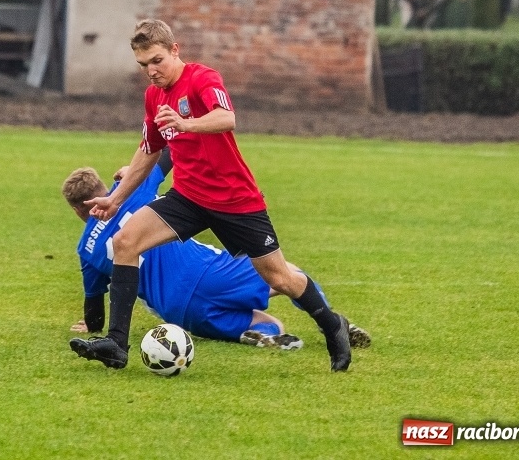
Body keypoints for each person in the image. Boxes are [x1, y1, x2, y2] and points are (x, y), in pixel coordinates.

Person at [70, 19, 352, 371]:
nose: (151, 71)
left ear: (175, 50)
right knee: (126, 242)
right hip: (188, 198)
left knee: (279, 277)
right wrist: (115, 200)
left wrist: (186, 124)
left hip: (236, 200)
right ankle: (116, 343)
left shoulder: (203, 78)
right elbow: (148, 151)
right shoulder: (153, 96)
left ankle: (331, 324)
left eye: (157, 60)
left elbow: (226, 117)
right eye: (143, 65)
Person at [62, 159, 372, 350]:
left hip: (178, 313)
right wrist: (134, 172)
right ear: (104, 188)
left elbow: (95, 313)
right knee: (287, 275)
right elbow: (168, 152)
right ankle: (331, 322)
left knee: (273, 324)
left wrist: (90, 324)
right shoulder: (133, 189)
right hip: (207, 274)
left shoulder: (85, 250)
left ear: (78, 209)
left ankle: (260, 335)